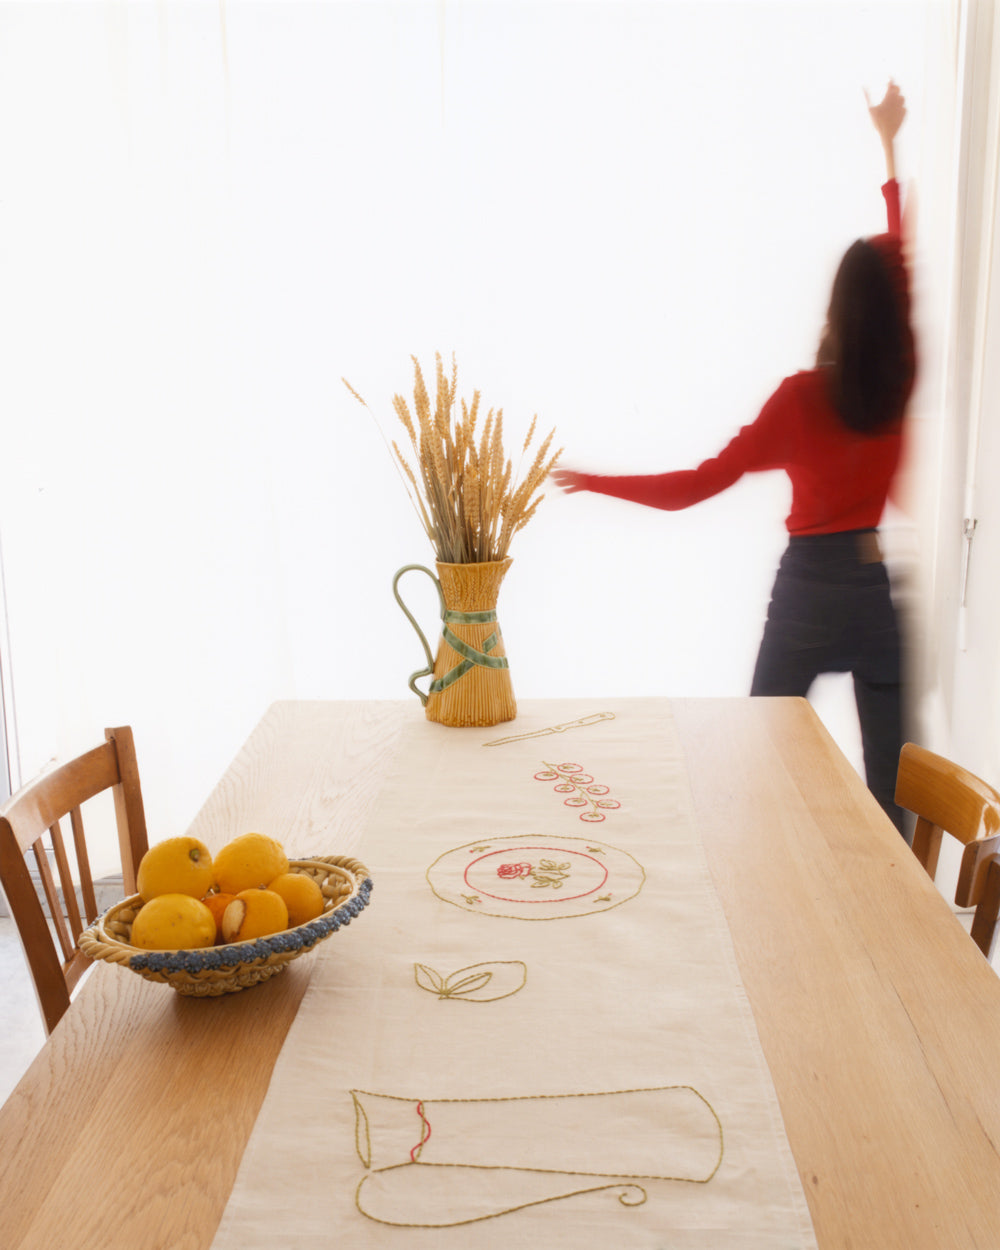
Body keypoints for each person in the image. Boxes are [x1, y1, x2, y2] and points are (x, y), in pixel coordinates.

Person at [551, 82, 915, 835]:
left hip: (810, 594)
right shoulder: (900, 375)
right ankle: (906, 910)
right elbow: (898, 255)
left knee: (760, 757)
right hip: (873, 591)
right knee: (893, 784)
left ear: (835, 311)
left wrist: (597, 482)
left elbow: (694, 486)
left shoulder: (799, 400)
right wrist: (889, 143)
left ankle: (757, 871)